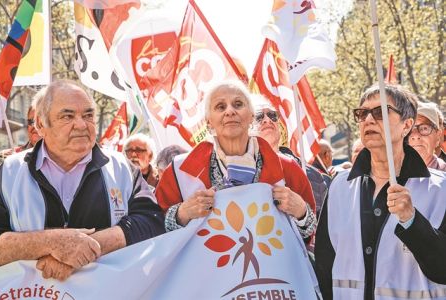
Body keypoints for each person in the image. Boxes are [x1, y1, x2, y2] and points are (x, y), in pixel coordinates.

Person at [0, 80, 165, 281]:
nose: (82, 124)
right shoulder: (9, 172)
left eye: (88, 115)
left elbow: (151, 223)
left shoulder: (121, 168)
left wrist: (87, 247)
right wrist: (51, 243)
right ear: (41, 125)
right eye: (67, 116)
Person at [315, 84, 446, 300]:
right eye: (362, 113)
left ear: (407, 125)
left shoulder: (440, 190)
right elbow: (324, 266)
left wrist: (412, 221)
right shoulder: (339, 187)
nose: (368, 119)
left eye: (380, 112)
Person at [155, 80, 316, 242]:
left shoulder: (286, 167)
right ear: (208, 121)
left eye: (238, 104)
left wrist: (301, 212)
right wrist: (181, 214)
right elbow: (153, 228)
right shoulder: (179, 171)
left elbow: (310, 234)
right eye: (220, 106)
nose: (230, 111)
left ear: (251, 115)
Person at [254, 97, 322, 227]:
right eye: (258, 116)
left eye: (272, 115)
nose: (267, 120)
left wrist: (302, 213)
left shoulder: (311, 174)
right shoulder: (234, 173)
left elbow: (325, 229)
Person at [0, 90, 43, 165]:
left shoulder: (62, 160)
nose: (34, 126)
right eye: (31, 122)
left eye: (41, 122)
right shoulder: (4, 158)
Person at [408, 101, 446, 171]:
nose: (415, 135)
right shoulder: (390, 175)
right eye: (409, 129)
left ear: (438, 136)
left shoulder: (443, 176)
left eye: (424, 128)